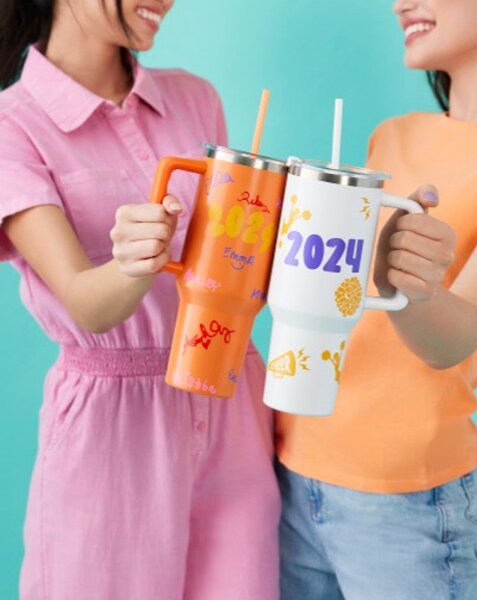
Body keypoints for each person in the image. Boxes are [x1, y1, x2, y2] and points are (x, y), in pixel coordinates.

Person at [276, 1, 477, 598]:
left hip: (406, 505)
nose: (402, 3)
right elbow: (335, 304)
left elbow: (452, 337)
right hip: (292, 470)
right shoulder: (392, 135)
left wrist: (397, 273)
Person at [0, 1, 279, 598]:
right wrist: (131, 263)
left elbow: (230, 265)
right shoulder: (12, 125)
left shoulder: (196, 99)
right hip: (113, 429)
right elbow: (84, 301)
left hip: (231, 401)